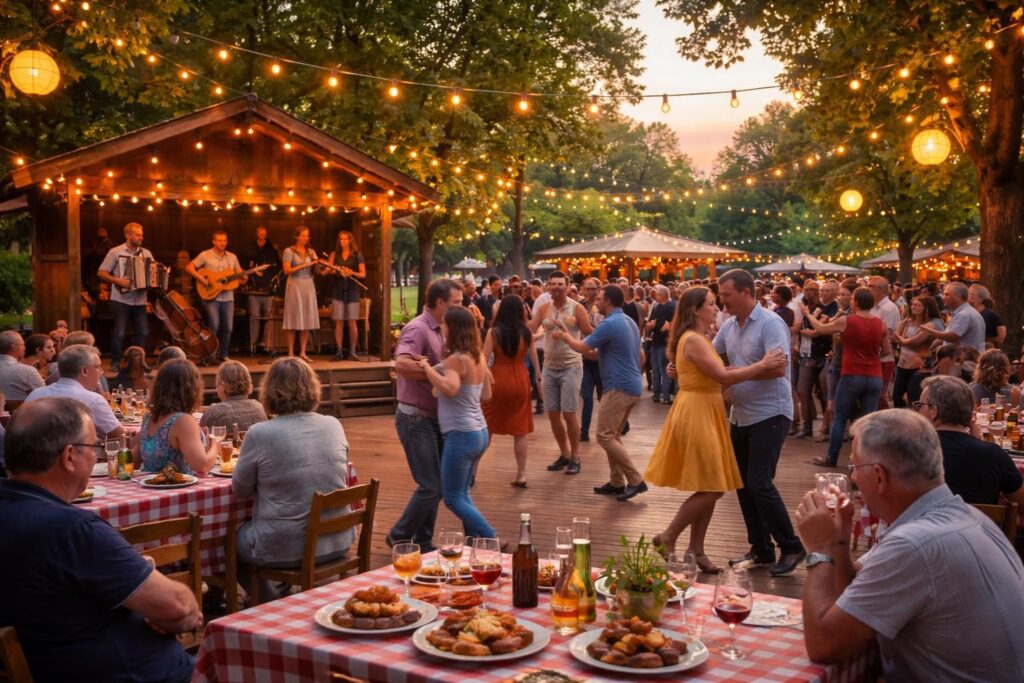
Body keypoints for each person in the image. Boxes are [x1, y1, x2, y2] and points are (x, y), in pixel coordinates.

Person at [794, 409, 1024, 681]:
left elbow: (824, 645)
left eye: (854, 468)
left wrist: (819, 550)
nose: (853, 479)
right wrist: (840, 541)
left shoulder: (915, 544)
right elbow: (857, 588)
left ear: (879, 476)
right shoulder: (965, 516)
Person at [0, 398, 200, 682]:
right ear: (69, 456)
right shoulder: (72, 530)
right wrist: (144, 582)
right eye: (94, 448)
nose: (96, 457)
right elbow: (181, 608)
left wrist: (127, 579)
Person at [646, 287, 786, 572]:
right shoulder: (695, 339)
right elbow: (722, 375)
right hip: (698, 411)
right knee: (715, 487)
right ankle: (668, 536)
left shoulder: (700, 338)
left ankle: (696, 550)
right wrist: (763, 364)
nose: (717, 306)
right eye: (711, 303)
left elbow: (711, 370)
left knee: (709, 483)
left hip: (705, 409)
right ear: (696, 310)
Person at [233, 358, 353, 602]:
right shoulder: (333, 425)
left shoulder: (260, 433)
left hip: (284, 549)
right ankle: (281, 594)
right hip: (338, 540)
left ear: (270, 390)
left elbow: (241, 490)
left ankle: (270, 602)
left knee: (228, 541)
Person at [710, 269, 806, 576]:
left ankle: (791, 546)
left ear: (747, 293)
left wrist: (732, 373)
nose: (721, 300)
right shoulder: (729, 325)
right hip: (742, 413)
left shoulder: (770, 323)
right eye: (721, 295)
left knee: (759, 482)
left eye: (727, 294)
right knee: (743, 484)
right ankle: (761, 548)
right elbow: (713, 357)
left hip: (771, 412)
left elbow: (778, 369)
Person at [387, 278, 463, 553]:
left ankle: (421, 540)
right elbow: (402, 363)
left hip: (434, 418)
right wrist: (436, 372)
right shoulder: (418, 328)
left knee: (438, 484)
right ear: (440, 303)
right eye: (457, 303)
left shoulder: (443, 328)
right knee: (431, 485)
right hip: (415, 417)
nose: (461, 307)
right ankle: (400, 535)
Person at [554, 284, 644, 501]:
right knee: (612, 435)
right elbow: (595, 355)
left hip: (618, 387)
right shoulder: (628, 321)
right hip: (631, 384)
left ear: (609, 301)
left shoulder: (609, 323)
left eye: (600, 298)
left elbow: (582, 348)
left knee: (603, 436)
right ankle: (616, 482)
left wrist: (565, 337)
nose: (595, 300)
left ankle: (635, 480)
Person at [418, 307, 495, 538]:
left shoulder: (455, 359)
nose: (441, 328)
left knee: (452, 498)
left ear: (452, 328)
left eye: (444, 324)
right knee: (462, 493)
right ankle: (475, 541)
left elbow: (450, 388)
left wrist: (427, 368)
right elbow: (486, 394)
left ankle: (489, 537)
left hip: (461, 434)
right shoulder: (478, 357)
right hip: (479, 431)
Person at [803, 287, 891, 468]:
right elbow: (887, 351)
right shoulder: (880, 324)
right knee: (867, 422)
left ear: (856, 302)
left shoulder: (847, 321)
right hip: (874, 376)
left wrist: (807, 314)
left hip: (852, 375)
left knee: (840, 417)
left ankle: (832, 457)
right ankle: (864, 461)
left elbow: (820, 328)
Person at [916, 375, 1024, 506]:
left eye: (920, 405)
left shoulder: (912, 452)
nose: (917, 411)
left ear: (933, 411)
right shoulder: (993, 454)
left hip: (923, 525)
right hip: (978, 525)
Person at [528, 271, 593, 475]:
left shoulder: (577, 307)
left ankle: (575, 456)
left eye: (560, 284)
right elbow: (529, 328)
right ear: (547, 286)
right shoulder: (544, 308)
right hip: (549, 365)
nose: (556, 287)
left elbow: (590, 333)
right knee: (553, 414)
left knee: (569, 412)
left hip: (571, 364)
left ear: (567, 287)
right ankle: (564, 454)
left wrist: (572, 331)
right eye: (553, 284)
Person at [482, 294, 538, 487]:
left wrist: (484, 378)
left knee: (486, 425)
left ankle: (471, 471)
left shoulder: (493, 333)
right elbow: (534, 358)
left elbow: (484, 358)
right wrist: (537, 375)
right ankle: (521, 473)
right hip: (520, 378)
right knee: (520, 430)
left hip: (498, 378)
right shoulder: (526, 332)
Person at [132, 359, 216, 475]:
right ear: (192, 389)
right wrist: (215, 446)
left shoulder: (149, 418)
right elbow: (201, 466)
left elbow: (136, 460)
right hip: (177, 489)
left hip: (151, 487)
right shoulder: (183, 421)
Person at [26, 345, 122, 439]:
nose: (101, 372)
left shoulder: (35, 394)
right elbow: (118, 434)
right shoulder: (93, 400)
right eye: (98, 367)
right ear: (84, 371)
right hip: (76, 453)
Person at [97, 223, 154, 368]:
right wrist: (118, 281)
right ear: (128, 235)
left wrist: (160, 275)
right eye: (137, 234)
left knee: (142, 332)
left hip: (140, 300)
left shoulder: (146, 253)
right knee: (120, 332)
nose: (141, 237)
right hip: (120, 299)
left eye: (142, 234)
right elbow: (101, 272)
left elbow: (153, 272)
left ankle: (138, 363)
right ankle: (115, 362)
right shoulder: (115, 252)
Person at [185, 230, 244, 362]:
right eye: (219, 240)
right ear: (213, 241)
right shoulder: (205, 255)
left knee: (228, 327)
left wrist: (244, 277)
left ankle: (224, 355)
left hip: (228, 297)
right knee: (214, 325)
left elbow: (239, 273)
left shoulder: (232, 257)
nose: (222, 243)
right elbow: (189, 267)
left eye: (224, 240)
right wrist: (202, 279)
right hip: (211, 296)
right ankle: (210, 354)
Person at [892, 295, 943, 407]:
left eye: (919, 305)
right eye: (913, 304)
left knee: (914, 397)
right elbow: (895, 336)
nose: (914, 307)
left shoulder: (929, 325)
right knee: (896, 396)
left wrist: (902, 340)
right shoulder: (907, 322)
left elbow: (914, 342)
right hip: (903, 364)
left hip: (918, 366)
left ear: (926, 308)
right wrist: (901, 337)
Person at [323, 230, 366, 361]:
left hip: (352, 291)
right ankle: (339, 351)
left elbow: (363, 274)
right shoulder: (334, 254)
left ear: (350, 240)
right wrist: (331, 268)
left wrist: (351, 272)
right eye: (341, 239)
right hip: (338, 290)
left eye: (346, 239)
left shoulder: (357, 254)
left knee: (352, 321)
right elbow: (326, 271)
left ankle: (353, 351)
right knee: (339, 322)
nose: (343, 242)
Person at [240, 226, 282, 353]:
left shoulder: (272, 249)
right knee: (255, 317)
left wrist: (274, 281)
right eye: (261, 232)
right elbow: (241, 267)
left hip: (268, 289)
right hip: (253, 290)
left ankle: (265, 344)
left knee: (268, 318)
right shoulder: (249, 248)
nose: (263, 235)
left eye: (265, 233)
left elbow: (279, 267)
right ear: (257, 233)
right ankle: (252, 345)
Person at [282, 226, 321, 360]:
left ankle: (303, 352)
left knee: (307, 318)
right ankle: (291, 352)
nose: (306, 238)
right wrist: (304, 265)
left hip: (308, 284)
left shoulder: (311, 252)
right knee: (293, 318)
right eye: (303, 235)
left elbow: (317, 270)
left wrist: (320, 264)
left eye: (307, 235)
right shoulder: (289, 251)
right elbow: (286, 270)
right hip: (295, 284)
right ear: (296, 237)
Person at [199, 360, 268, 432]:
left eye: (217, 383)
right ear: (248, 383)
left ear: (223, 385)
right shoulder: (260, 408)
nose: (216, 388)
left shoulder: (214, 412)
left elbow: (200, 438)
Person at [920, 281, 986, 354]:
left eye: (947, 295)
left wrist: (929, 331)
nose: (943, 298)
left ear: (959, 297)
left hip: (963, 360)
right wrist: (940, 342)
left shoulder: (963, 315)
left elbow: (952, 336)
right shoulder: (963, 312)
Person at [868, 276, 900, 409]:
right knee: (872, 394)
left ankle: (886, 423)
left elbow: (889, 334)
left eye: (870, 287)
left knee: (880, 394)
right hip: (873, 356)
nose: (867, 289)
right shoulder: (873, 307)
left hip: (884, 358)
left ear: (880, 289)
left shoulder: (888, 308)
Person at [578, 278, 603, 441]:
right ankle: (584, 431)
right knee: (587, 396)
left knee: (604, 396)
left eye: (593, 289)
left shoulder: (604, 307)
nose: (591, 292)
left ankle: (622, 423)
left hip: (601, 358)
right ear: (582, 290)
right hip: (585, 358)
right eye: (588, 289)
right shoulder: (579, 306)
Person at [646, 285, 676, 404]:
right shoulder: (656, 306)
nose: (656, 296)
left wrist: (668, 327)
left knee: (664, 369)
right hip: (655, 341)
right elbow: (652, 321)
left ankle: (666, 395)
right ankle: (657, 394)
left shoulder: (672, 307)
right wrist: (650, 326)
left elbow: (673, 324)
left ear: (662, 295)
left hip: (665, 342)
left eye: (658, 294)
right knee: (656, 369)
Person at [0, 330, 44, 400]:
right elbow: (45, 395)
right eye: (23, 344)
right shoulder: (28, 371)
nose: (25, 348)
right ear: (14, 347)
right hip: (21, 410)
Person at [968, 283, 1006, 349]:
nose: (968, 297)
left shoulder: (990, 314)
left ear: (979, 298)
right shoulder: (972, 313)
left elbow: (1001, 337)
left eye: (971, 294)